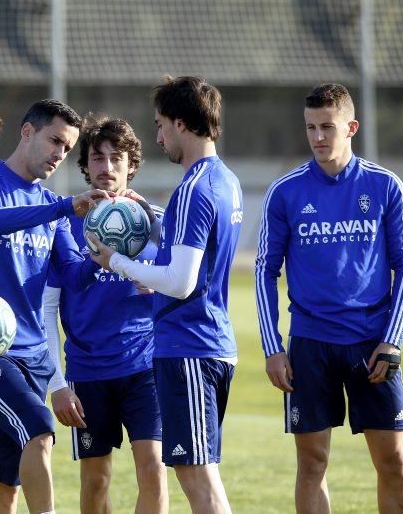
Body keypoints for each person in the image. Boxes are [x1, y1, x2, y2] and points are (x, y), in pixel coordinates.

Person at [255, 83, 403, 514]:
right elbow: (264, 271)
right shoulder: (285, 192)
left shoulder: (385, 186)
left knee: (393, 463)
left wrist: (393, 339)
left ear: (351, 127)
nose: (318, 137)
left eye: (328, 126)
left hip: (372, 344)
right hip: (310, 345)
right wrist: (273, 348)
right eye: (311, 128)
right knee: (312, 464)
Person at [89, 76, 243, 514]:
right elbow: (191, 261)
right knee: (197, 470)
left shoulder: (193, 189)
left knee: (197, 474)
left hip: (190, 345)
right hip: (208, 342)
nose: (157, 137)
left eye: (159, 125)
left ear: (180, 123)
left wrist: (114, 262)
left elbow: (181, 281)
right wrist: (151, 226)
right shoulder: (224, 179)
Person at [0, 99, 110, 514]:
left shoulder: (52, 208)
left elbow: (72, 274)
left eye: (67, 148)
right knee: (40, 430)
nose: (60, 155)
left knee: (4, 481)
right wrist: (64, 206)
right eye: (55, 141)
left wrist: (106, 253)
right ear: (27, 132)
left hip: (32, 354)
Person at [43, 115, 168, 513]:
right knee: (96, 480)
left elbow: (193, 279)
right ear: (85, 165)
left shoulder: (158, 221)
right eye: (98, 158)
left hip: (146, 368)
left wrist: (158, 284)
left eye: (117, 158)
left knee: (154, 468)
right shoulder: (65, 223)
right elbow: (47, 306)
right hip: (88, 373)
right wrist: (57, 383)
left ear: (132, 164)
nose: (107, 167)